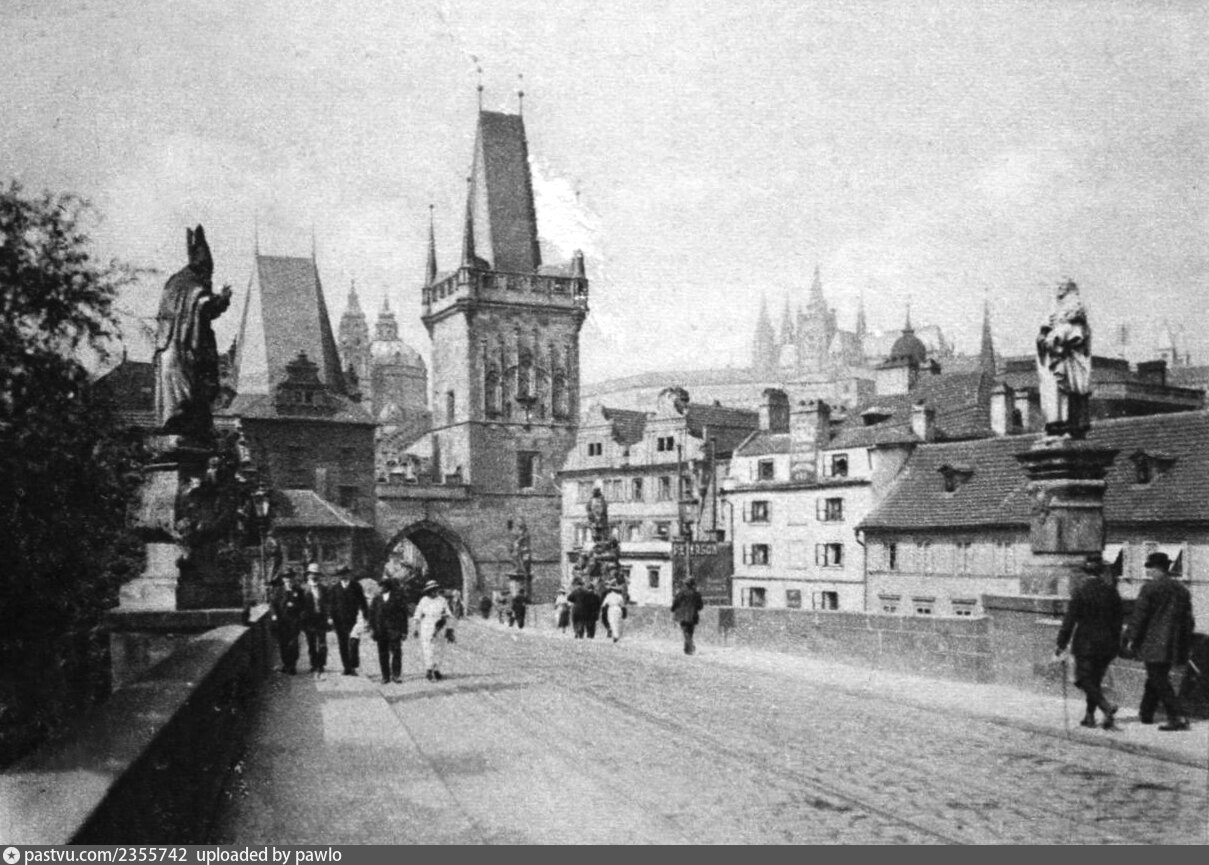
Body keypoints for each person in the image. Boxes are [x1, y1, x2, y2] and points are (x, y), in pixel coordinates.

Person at [153, 225, 232, 438]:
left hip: (167, 347)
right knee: (191, 390)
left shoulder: (174, 283)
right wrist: (222, 299)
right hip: (181, 349)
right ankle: (188, 424)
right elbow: (203, 305)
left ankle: (178, 423)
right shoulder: (192, 284)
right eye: (209, 273)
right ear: (202, 268)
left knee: (179, 394)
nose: (209, 279)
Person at [1123, 552, 1195, 731]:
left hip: (1154, 642)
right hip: (1174, 643)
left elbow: (1139, 616)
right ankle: (1146, 713)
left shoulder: (1149, 588)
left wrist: (1130, 638)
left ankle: (1176, 717)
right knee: (1156, 676)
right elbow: (1189, 620)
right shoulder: (1182, 590)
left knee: (1158, 678)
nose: (1149, 572)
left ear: (1156, 569)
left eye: (1150, 569)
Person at [1054, 555, 1123, 729]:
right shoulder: (1112, 592)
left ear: (1086, 572)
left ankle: (1106, 707)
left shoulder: (1080, 592)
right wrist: (1116, 643)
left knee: (1085, 680)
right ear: (1101, 572)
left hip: (1086, 643)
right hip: (1107, 644)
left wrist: (1061, 643)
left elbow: (1069, 621)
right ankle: (1089, 716)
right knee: (1095, 680)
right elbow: (1118, 621)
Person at [1035, 279, 1092, 439]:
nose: (1059, 289)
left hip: (1069, 362)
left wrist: (1056, 339)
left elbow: (1075, 336)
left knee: (1070, 391)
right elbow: (1044, 335)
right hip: (1055, 361)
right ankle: (1056, 425)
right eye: (1058, 286)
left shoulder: (1076, 315)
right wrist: (1043, 338)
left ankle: (1070, 426)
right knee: (1054, 393)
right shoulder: (1053, 312)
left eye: (1063, 286)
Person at [369, 576, 409, 684]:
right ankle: (385, 676)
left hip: (394, 630)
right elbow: (371, 615)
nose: (381, 588)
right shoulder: (376, 599)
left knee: (396, 652)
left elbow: (403, 615)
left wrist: (404, 631)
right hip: (380, 631)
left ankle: (396, 675)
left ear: (387, 586)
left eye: (383, 585)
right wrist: (372, 629)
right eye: (380, 585)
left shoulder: (397, 598)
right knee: (383, 653)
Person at [330, 565, 369, 676]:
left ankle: (353, 667)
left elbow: (363, 602)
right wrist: (330, 618)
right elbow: (331, 605)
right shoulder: (335, 588)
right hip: (339, 620)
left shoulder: (356, 586)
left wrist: (366, 617)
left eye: (345, 574)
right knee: (342, 643)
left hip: (354, 619)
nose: (343, 576)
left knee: (353, 643)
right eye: (340, 574)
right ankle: (346, 667)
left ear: (348, 574)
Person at [413, 580, 455, 681]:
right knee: (428, 648)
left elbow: (448, 614)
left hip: (440, 625)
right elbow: (417, 614)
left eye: (435, 590)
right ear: (428, 591)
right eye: (431, 590)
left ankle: (436, 669)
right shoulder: (424, 600)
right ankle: (429, 669)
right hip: (427, 626)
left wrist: (449, 628)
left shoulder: (442, 600)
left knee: (439, 649)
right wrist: (416, 628)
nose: (434, 592)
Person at [270, 568, 305, 674]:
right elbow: (273, 605)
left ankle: (293, 665)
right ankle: (286, 664)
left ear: (293, 578)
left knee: (293, 643)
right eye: (286, 577)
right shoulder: (278, 591)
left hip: (294, 621)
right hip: (282, 622)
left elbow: (303, 605)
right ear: (283, 579)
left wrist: (298, 611)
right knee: (283, 644)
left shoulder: (298, 590)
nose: (288, 579)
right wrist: (274, 615)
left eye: (290, 577)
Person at [300, 563, 330, 680]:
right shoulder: (303, 589)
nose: (314, 576)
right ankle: (314, 664)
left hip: (321, 619)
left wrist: (329, 617)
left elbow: (328, 604)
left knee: (322, 644)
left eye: (316, 574)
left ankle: (321, 665)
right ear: (308, 575)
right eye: (312, 574)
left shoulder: (324, 588)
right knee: (311, 643)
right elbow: (300, 605)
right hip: (309, 620)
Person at [672, 576, 705, 656]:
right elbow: (700, 606)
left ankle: (690, 647)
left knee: (685, 632)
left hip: (682, 615)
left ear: (686, 584)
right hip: (693, 616)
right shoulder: (696, 594)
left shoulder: (681, 593)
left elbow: (676, 602)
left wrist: (673, 609)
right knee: (690, 632)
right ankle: (687, 649)